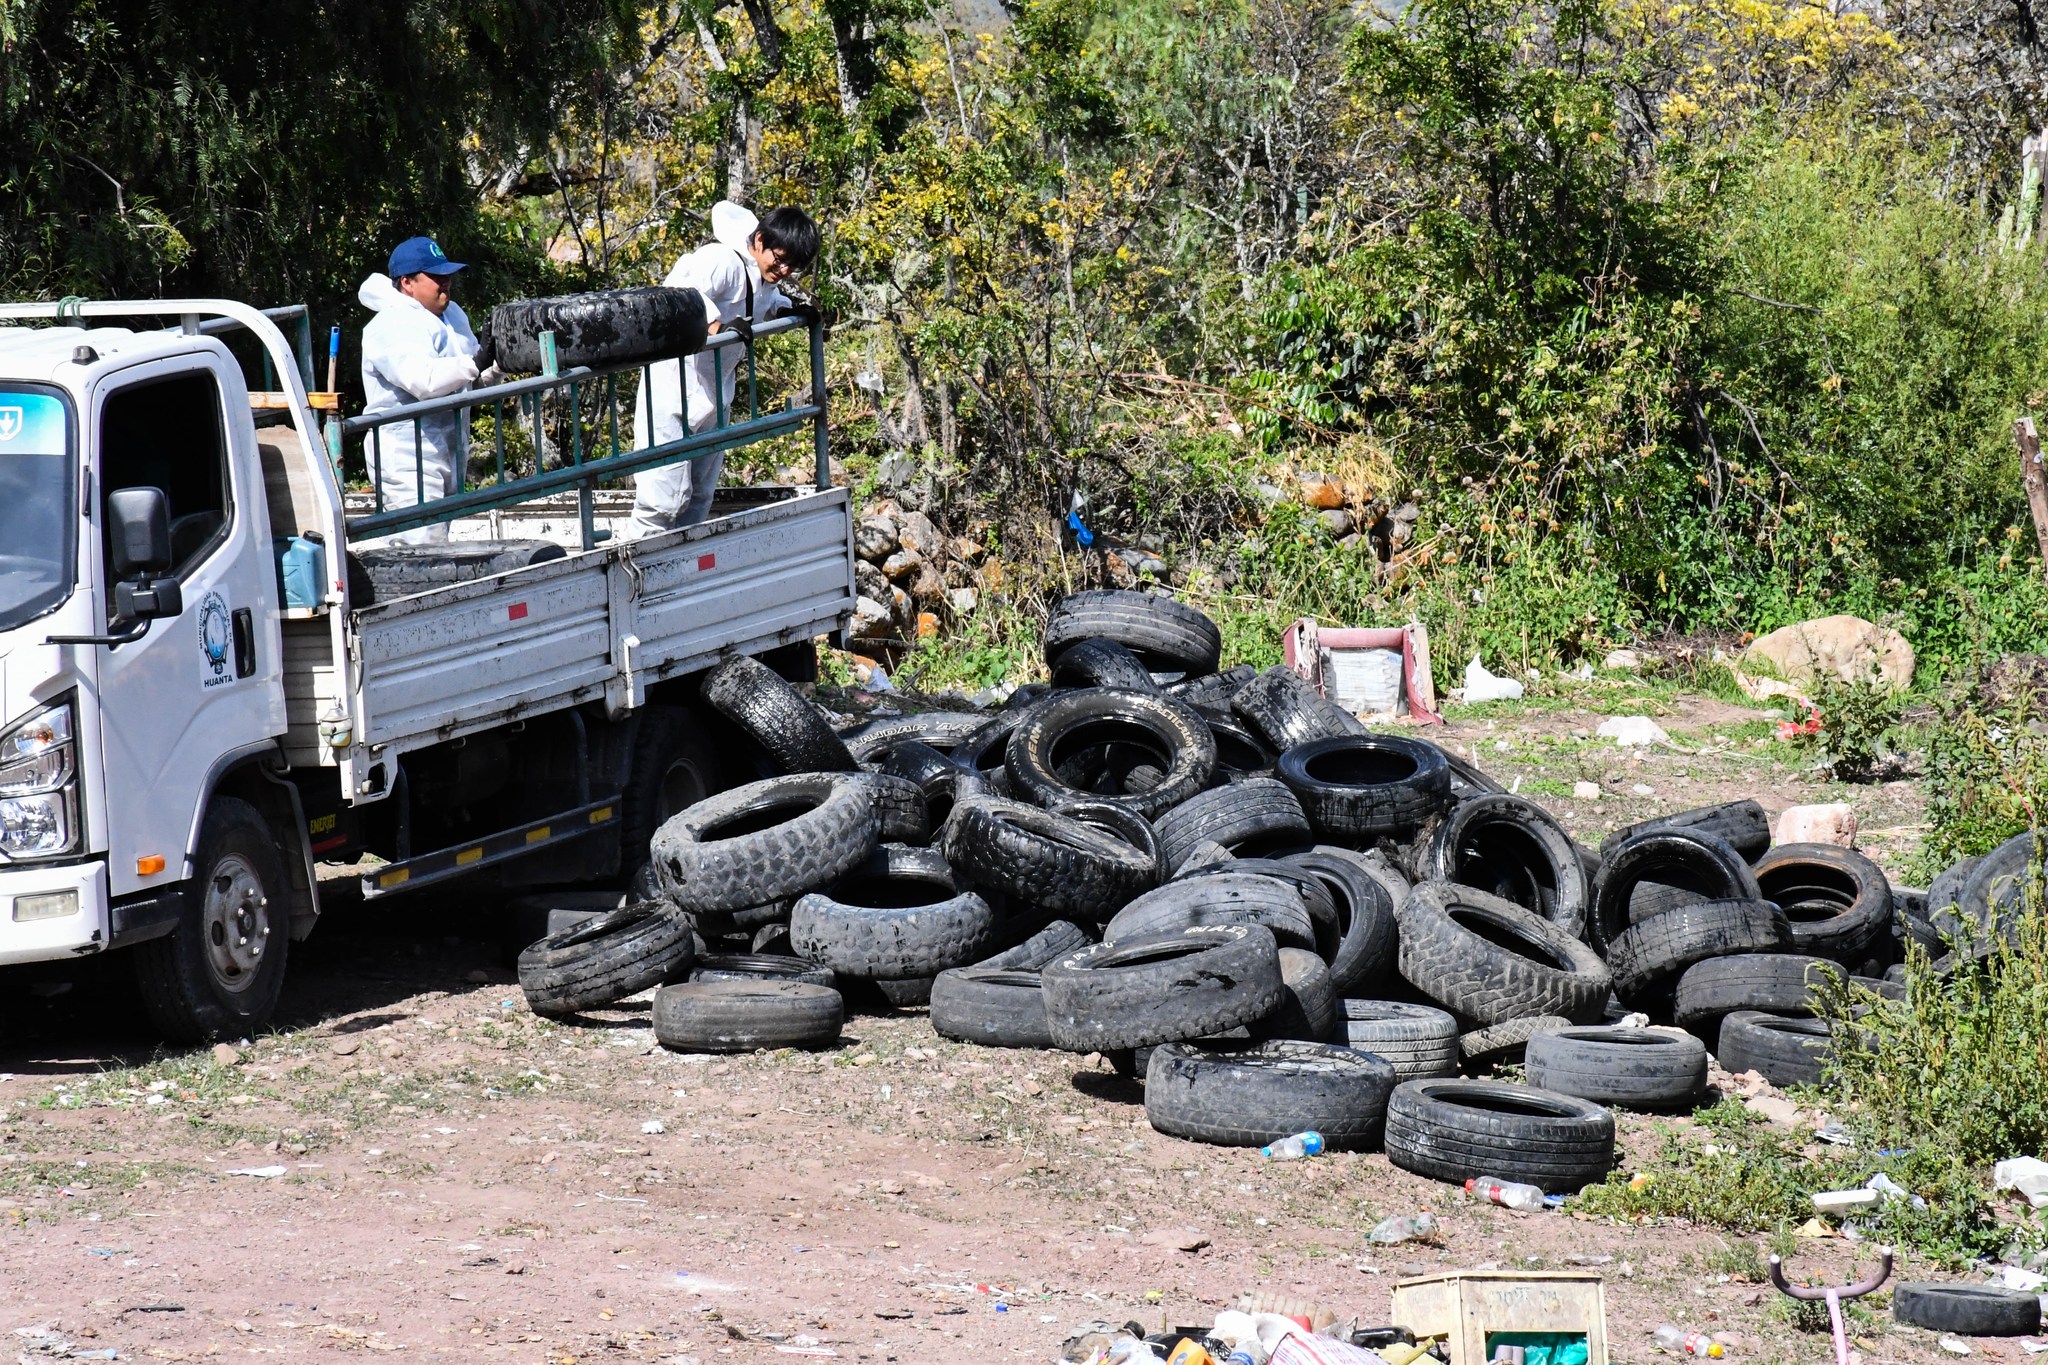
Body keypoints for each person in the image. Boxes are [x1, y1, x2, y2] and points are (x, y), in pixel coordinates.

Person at [629, 201, 819, 536]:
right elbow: (677, 292)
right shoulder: (721, 259)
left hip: (713, 397)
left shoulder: (762, 276)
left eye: (793, 264)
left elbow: (765, 303)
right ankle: (637, 579)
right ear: (759, 240)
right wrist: (716, 325)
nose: (785, 269)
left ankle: (682, 574)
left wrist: (795, 311)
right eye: (780, 258)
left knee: (698, 498)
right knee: (661, 500)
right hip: (672, 393)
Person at [357, 236, 488, 545]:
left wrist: (498, 363)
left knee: (437, 544)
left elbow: (470, 379)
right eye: (436, 276)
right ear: (407, 283)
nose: (446, 282)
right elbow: (423, 381)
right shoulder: (391, 323)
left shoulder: (452, 315)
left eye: (447, 275)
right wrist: (476, 363)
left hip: (447, 450)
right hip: (407, 459)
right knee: (422, 551)